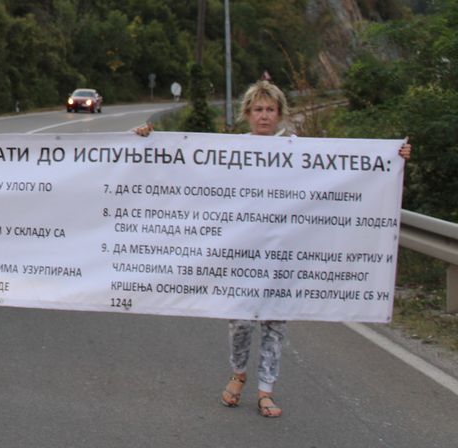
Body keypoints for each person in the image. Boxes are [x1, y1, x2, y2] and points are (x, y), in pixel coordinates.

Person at [135, 79, 411, 418]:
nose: (264, 116)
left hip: (284, 257)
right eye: (258, 110)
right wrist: (149, 141)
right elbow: (186, 170)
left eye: (270, 110)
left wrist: (393, 158)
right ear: (247, 114)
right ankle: (238, 374)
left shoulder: (298, 151)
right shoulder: (230, 150)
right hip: (241, 256)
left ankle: (266, 390)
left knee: (275, 322)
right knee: (240, 322)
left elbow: (344, 174)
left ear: (279, 114)